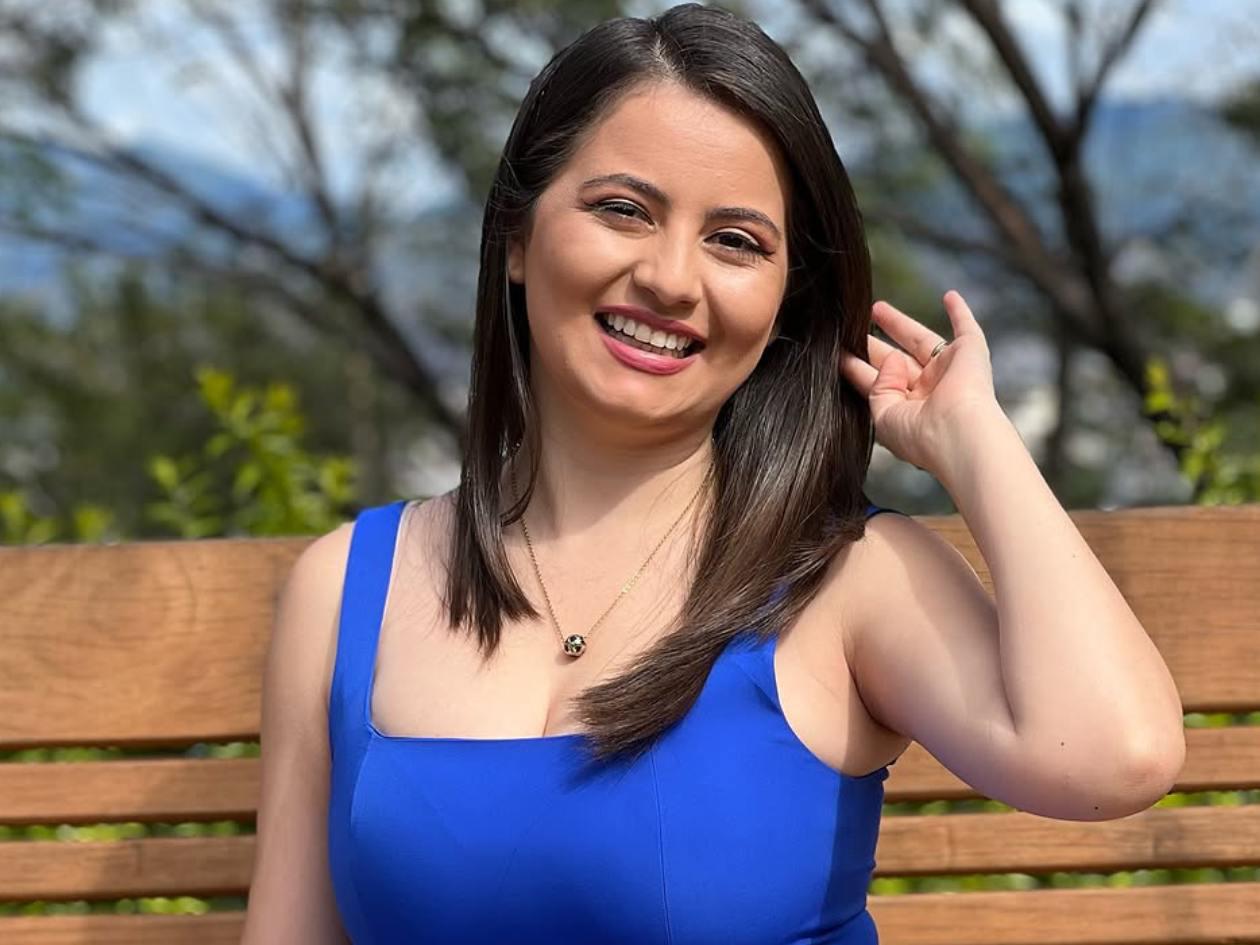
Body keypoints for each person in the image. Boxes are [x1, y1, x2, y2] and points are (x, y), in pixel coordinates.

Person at [240, 4, 1186, 943]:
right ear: (517, 237)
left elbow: (1115, 757)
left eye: (735, 241)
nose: (670, 278)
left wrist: (976, 441)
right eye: (623, 210)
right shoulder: (346, 589)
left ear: (783, 303)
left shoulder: (847, 579)